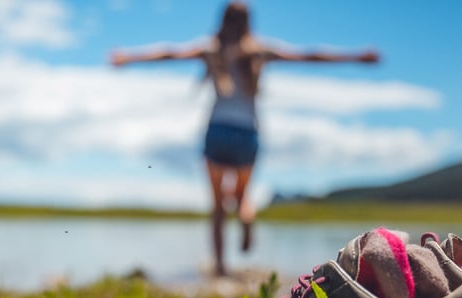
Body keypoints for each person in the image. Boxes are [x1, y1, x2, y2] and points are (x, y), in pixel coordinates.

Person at [112, 1, 379, 276]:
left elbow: (169, 53)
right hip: (246, 134)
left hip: (218, 130)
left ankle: (219, 267)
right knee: (242, 197)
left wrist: (128, 58)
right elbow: (308, 56)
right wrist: (357, 57)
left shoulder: (211, 49)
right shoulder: (258, 50)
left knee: (217, 205)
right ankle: (246, 218)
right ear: (249, 23)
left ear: (222, 20)